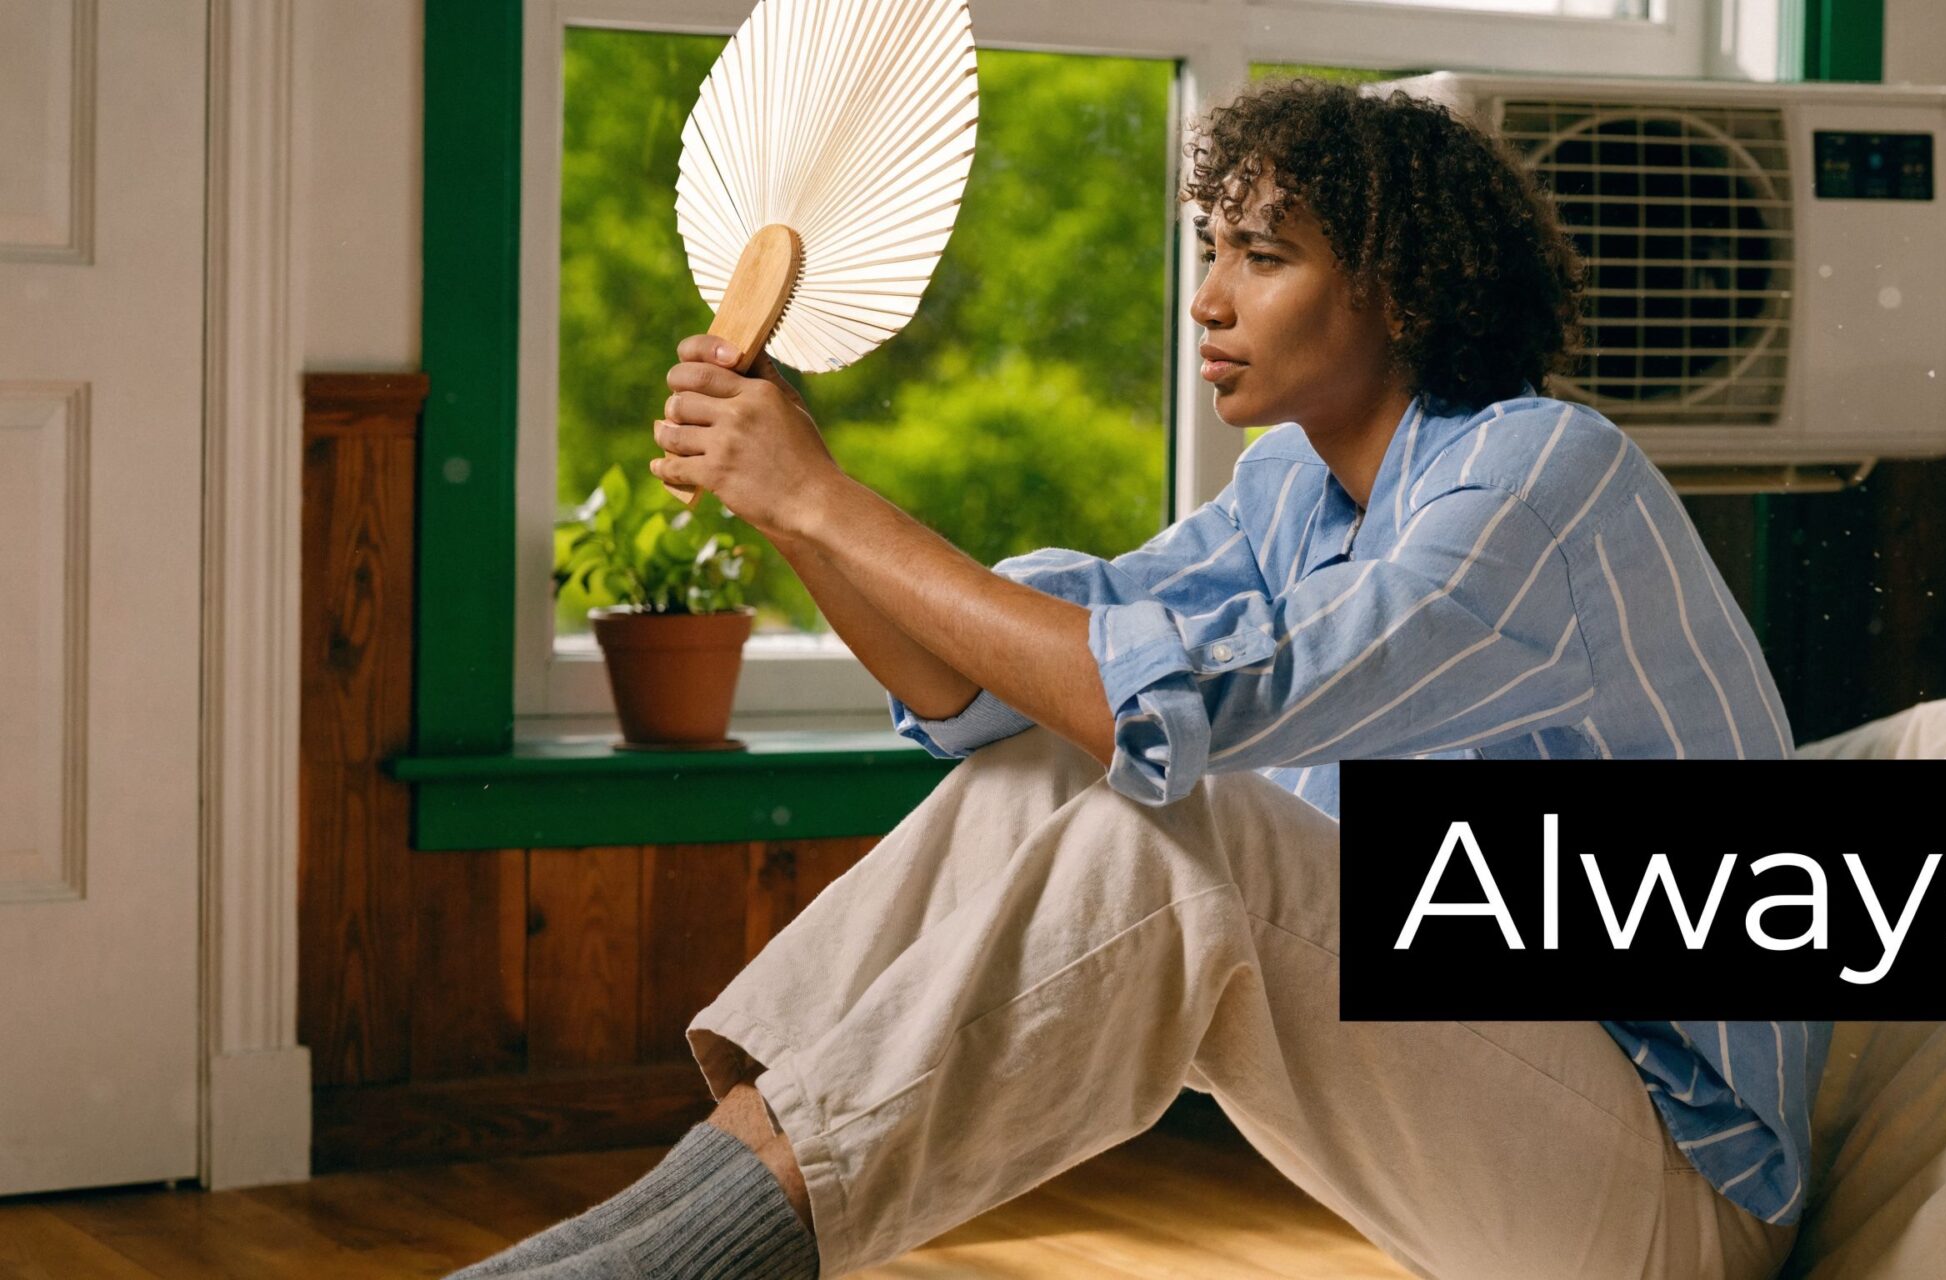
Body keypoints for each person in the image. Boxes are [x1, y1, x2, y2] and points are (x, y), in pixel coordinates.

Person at [451, 77, 1824, 1280]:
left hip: (1667, 1192)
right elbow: (990, 690)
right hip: (1495, 1108)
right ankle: (638, 1246)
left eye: (1263, 256)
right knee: (1045, 763)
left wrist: (832, 497)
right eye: (1211, 248)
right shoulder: (1293, 488)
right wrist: (799, 514)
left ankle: (665, 1266)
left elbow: (1191, 715)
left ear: (1395, 294)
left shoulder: (1541, 478)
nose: (1209, 297)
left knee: (1193, 830)